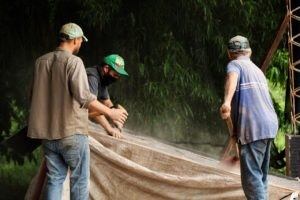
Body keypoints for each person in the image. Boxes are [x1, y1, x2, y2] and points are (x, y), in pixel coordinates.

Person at [27, 23, 128, 200]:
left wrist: (111, 111)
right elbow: (85, 97)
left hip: (48, 135)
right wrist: (111, 114)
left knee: (55, 179)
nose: (81, 44)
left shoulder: (40, 62)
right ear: (75, 40)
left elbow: (33, 96)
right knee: (80, 181)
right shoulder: (75, 62)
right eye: (81, 40)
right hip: (72, 133)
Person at [219, 35, 278, 200]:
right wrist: (234, 136)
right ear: (249, 52)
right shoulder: (257, 70)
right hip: (269, 126)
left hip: (254, 126)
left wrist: (227, 102)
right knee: (260, 177)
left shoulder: (235, 65)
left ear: (229, 53)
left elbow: (232, 77)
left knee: (252, 181)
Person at [86, 54, 129, 138]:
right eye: (115, 75)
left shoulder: (102, 78)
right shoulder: (92, 77)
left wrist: (116, 118)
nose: (117, 78)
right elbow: (92, 106)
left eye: (119, 76)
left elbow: (106, 101)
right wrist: (109, 129)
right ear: (106, 68)